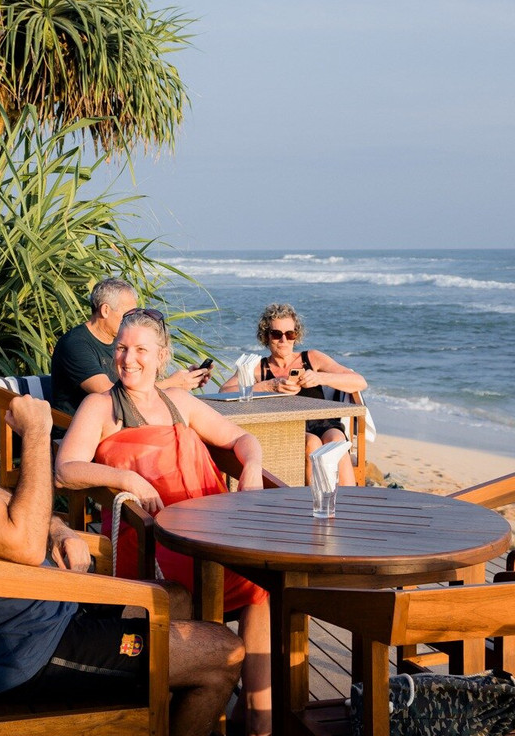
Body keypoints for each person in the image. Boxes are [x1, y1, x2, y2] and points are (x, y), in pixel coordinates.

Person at [0, 299, 242, 736]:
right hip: (23, 651)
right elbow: (23, 544)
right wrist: (39, 433)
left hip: (28, 615)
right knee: (223, 653)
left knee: (175, 596)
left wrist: (59, 528)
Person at [55, 307, 272, 736]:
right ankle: (200, 695)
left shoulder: (181, 402)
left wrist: (251, 467)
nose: (128, 358)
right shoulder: (102, 405)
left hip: (207, 531)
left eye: (140, 349)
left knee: (258, 587)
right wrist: (124, 476)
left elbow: (241, 439)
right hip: (153, 545)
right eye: (120, 347)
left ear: (161, 356)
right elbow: (66, 467)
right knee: (192, 592)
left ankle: (259, 720)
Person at [220, 303, 367, 486]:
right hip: (286, 428)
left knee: (336, 441)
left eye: (290, 334)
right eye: (276, 334)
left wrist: (320, 377)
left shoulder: (311, 358)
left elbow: (359, 382)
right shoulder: (258, 367)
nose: (284, 340)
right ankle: (313, 505)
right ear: (266, 336)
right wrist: (267, 386)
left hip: (323, 423)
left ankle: (350, 504)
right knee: (312, 443)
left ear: (296, 336)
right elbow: (224, 391)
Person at [50, 277, 210, 417]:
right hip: (77, 431)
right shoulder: (75, 345)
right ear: (105, 310)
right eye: (129, 313)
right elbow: (110, 395)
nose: (133, 319)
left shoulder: (120, 341)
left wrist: (185, 379)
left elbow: (136, 386)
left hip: (119, 421)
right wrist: (171, 384)